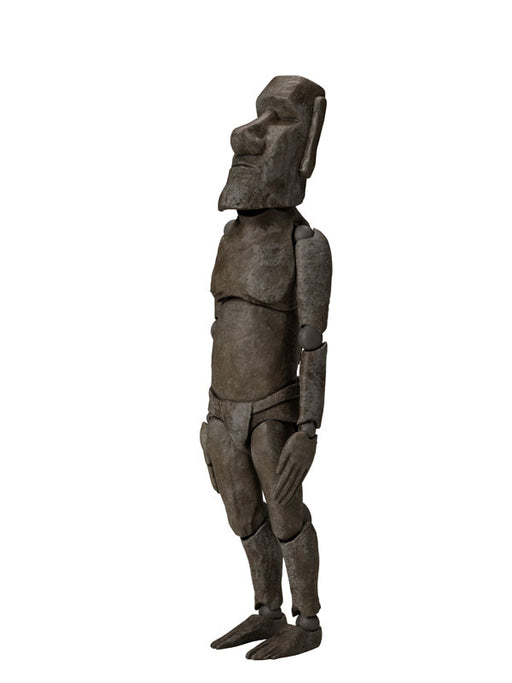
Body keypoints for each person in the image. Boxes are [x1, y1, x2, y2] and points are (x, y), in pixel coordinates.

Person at [200, 75, 332, 659]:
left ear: (306, 144)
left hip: (274, 408)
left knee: (284, 511)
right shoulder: (230, 237)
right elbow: (220, 325)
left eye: (276, 121)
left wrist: (308, 428)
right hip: (222, 407)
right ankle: (266, 609)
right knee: (241, 512)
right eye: (256, 116)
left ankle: (307, 620)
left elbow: (313, 344)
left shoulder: (306, 244)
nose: (244, 135)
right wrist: (212, 416)